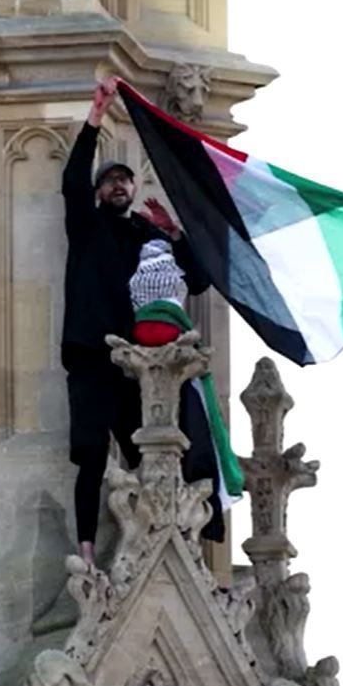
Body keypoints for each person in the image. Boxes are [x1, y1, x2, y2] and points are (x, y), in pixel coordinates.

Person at [62, 76, 212, 566]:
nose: (119, 185)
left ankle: (164, 549)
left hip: (143, 361)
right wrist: (95, 115)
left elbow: (197, 280)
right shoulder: (87, 226)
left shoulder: (149, 234)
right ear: (101, 191)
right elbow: (72, 181)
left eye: (125, 179)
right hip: (93, 353)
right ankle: (86, 550)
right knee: (89, 453)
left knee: (151, 451)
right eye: (110, 180)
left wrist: (176, 234)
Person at [127, 238, 242, 543]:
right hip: (155, 371)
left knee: (194, 445)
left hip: (159, 366)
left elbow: (200, 278)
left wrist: (177, 235)